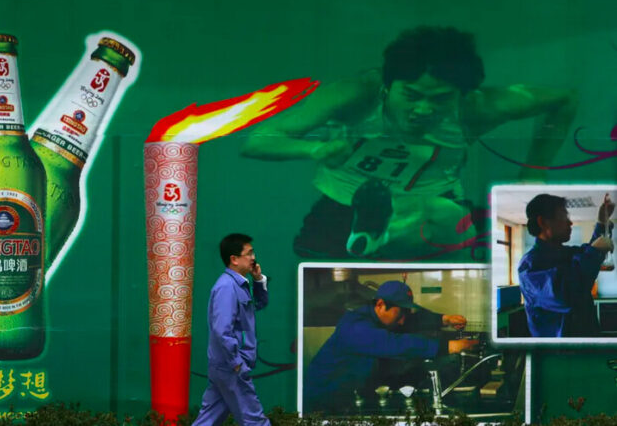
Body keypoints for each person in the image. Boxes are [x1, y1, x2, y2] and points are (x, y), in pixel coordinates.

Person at [241, 26, 578, 259]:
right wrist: (314, 149)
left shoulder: (478, 107)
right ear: (388, 87)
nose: (423, 110)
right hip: (346, 200)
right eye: (412, 96)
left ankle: (392, 232)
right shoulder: (356, 94)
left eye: (440, 100)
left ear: (462, 95)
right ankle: (377, 229)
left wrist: (533, 173)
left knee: (440, 218)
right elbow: (256, 142)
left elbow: (564, 100)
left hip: (429, 202)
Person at [303, 280, 478, 414]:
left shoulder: (379, 317)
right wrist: (448, 346)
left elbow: (411, 320)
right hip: (321, 402)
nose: (402, 321)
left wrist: (444, 319)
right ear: (380, 304)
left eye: (405, 313)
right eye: (400, 314)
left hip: (349, 397)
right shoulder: (355, 327)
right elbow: (396, 344)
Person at [193, 233, 270, 426]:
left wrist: (259, 280)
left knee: (208, 420)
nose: (253, 257)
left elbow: (258, 305)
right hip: (231, 367)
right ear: (234, 259)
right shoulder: (227, 287)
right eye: (249, 253)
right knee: (255, 420)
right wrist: (237, 363)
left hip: (225, 366)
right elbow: (221, 331)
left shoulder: (240, 285)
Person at [518, 193, 614, 337]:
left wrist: (601, 223)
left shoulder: (564, 253)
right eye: (564, 217)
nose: (570, 223)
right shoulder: (530, 266)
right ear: (543, 222)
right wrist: (594, 251)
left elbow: (586, 252)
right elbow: (565, 296)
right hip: (558, 355)